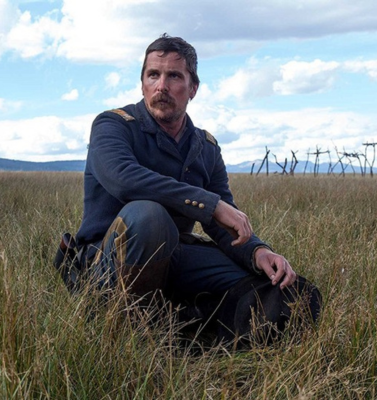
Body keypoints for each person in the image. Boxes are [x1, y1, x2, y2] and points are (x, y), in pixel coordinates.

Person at [59, 34, 321, 344]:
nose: (161, 86)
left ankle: (190, 328)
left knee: (283, 290)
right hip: (106, 264)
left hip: (173, 257)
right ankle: (128, 334)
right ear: (142, 84)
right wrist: (209, 204)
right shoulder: (113, 126)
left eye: (174, 76)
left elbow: (223, 223)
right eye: (153, 75)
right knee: (149, 217)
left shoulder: (205, 147)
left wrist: (258, 251)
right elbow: (122, 178)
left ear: (193, 88)